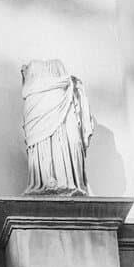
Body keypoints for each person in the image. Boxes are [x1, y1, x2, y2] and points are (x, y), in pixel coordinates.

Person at [21, 59, 93, 196]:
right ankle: (48, 181)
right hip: (38, 106)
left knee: (67, 142)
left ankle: (67, 182)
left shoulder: (64, 83)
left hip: (61, 97)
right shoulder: (33, 85)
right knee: (43, 142)